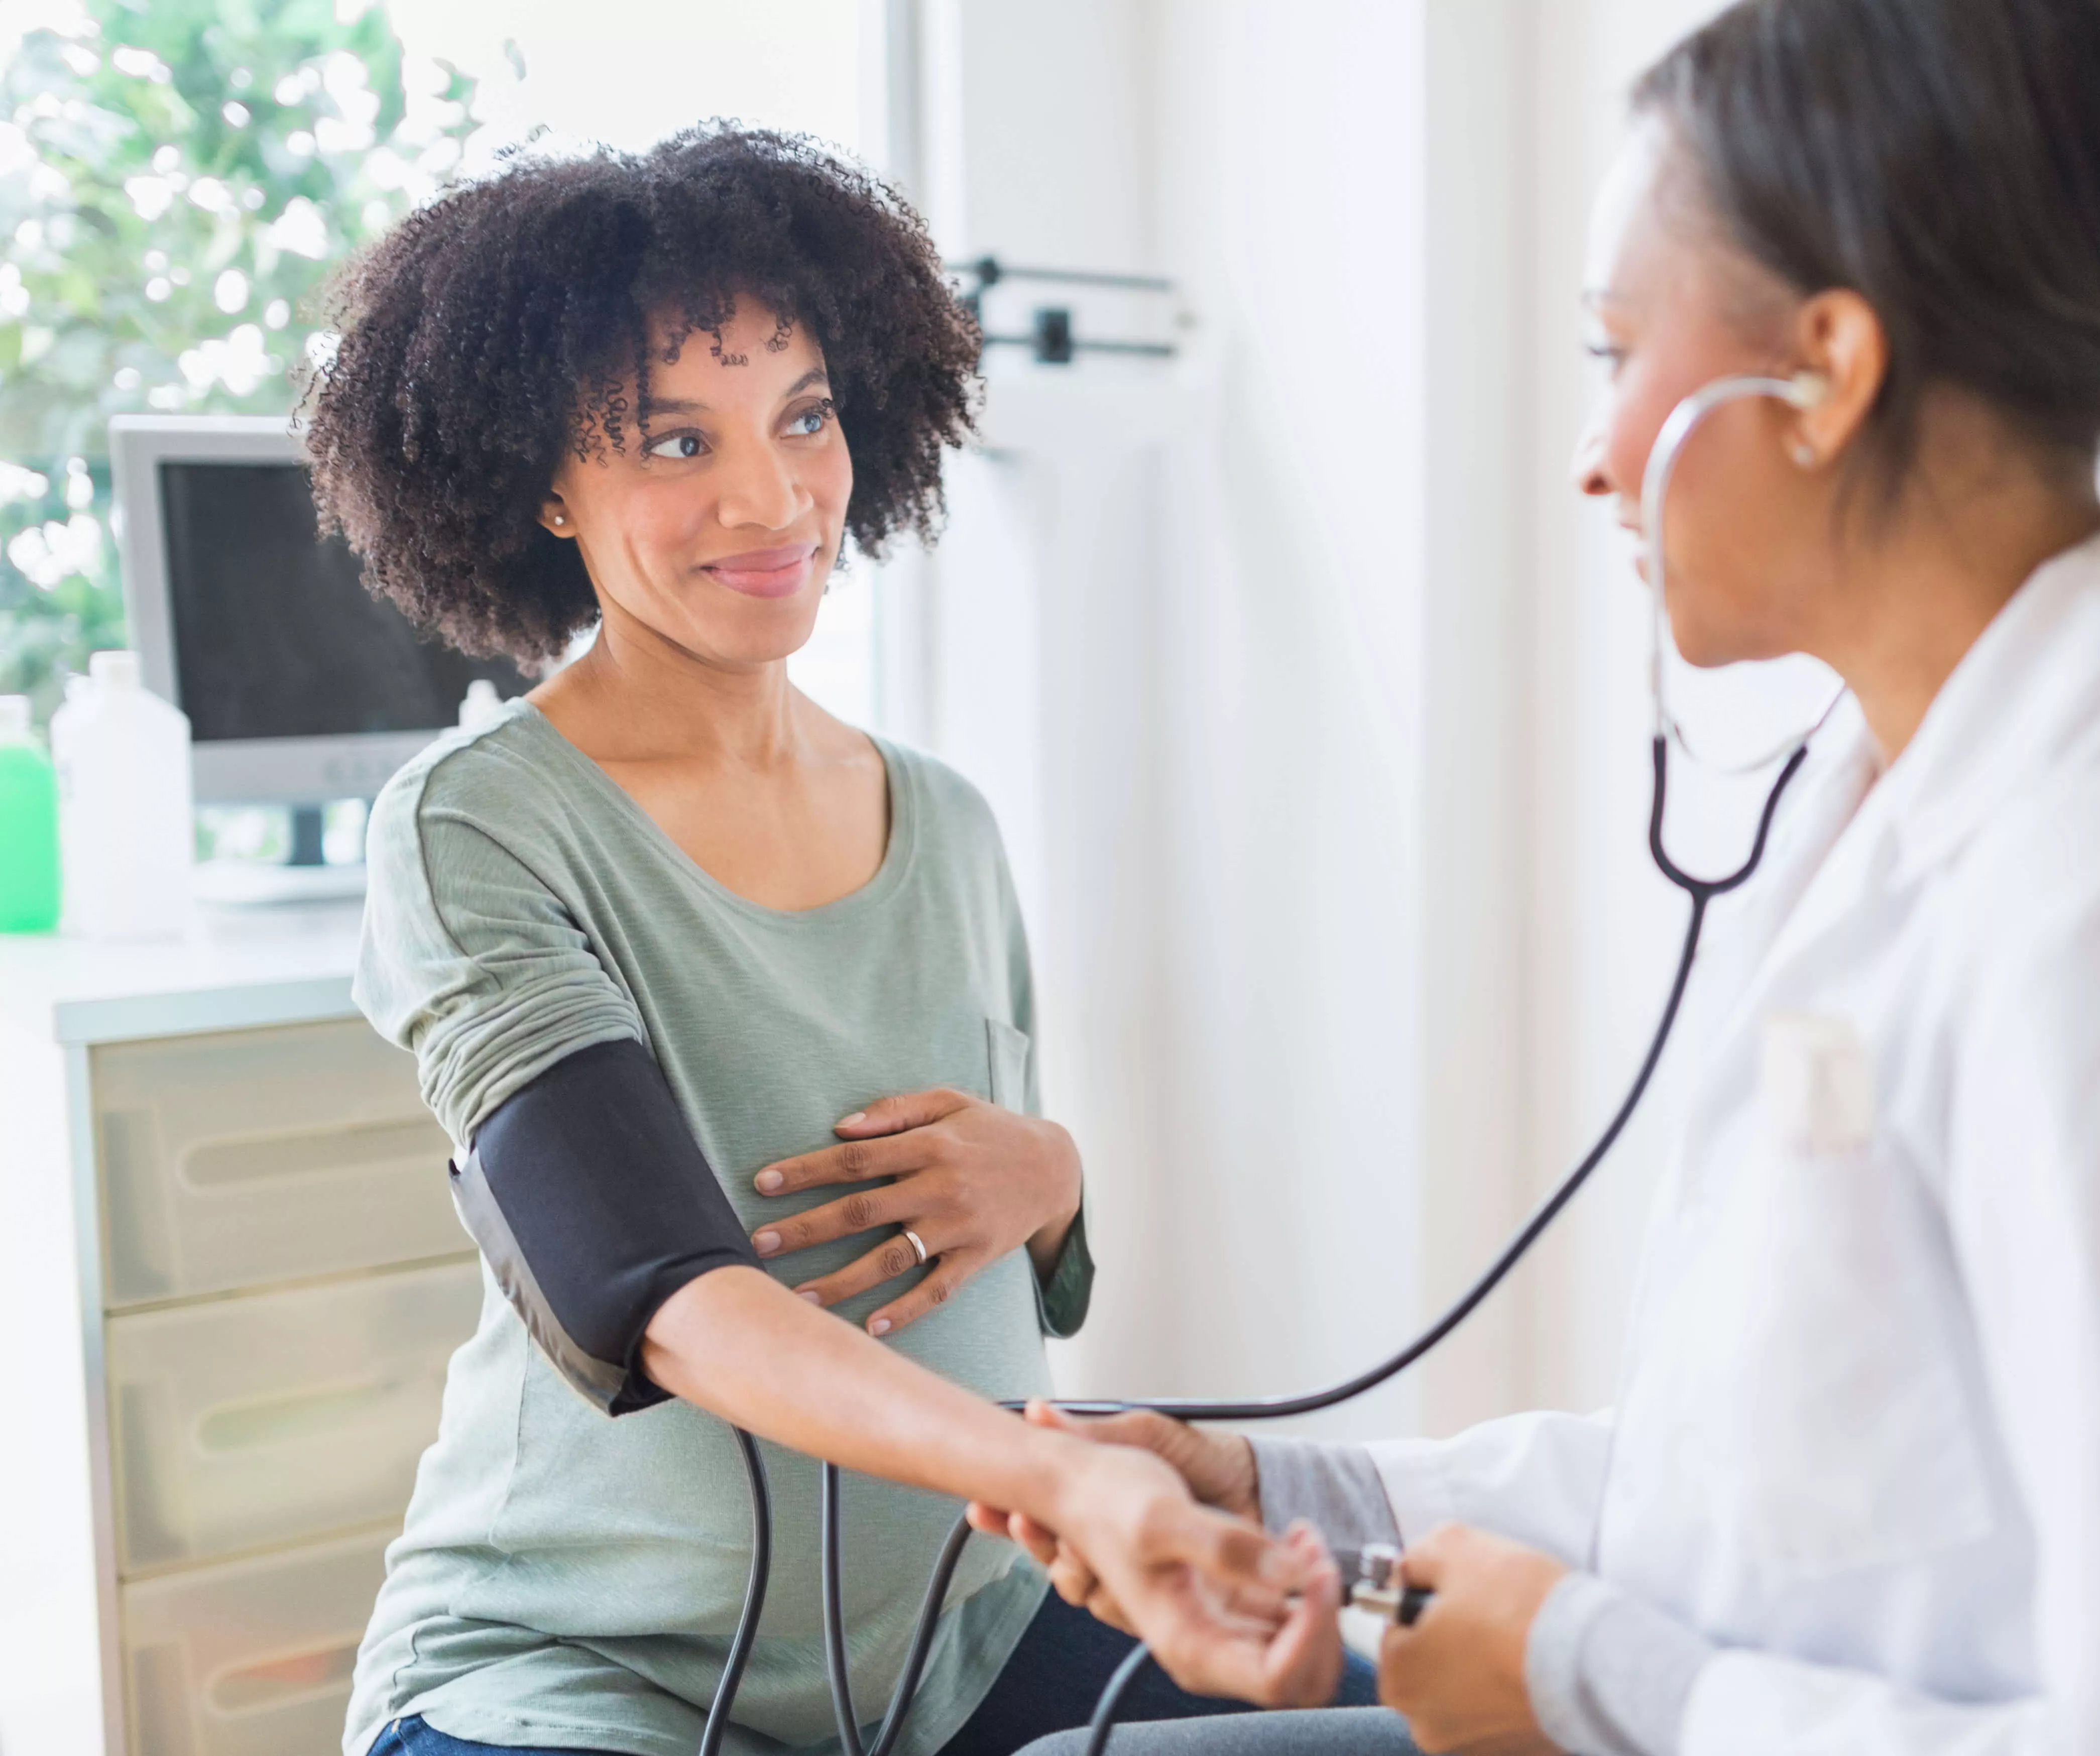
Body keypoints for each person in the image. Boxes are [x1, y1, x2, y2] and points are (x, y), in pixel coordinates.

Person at [981, 1, 2100, 1750]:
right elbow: (1789, 1508)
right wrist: (1274, 1492)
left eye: (1616, 349)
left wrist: (1586, 1683)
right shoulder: (1894, 813)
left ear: (1830, 371)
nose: (1592, 454)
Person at [308, 128, 1366, 1756]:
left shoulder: (944, 821)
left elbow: (998, 1264)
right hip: (587, 1673)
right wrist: (1060, 1469)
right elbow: (648, 1285)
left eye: (804, 414)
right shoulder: (478, 823)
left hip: (973, 1638)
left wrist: (1057, 1174)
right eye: (675, 441)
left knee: (1465, 1720)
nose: (770, 494)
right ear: (538, 479)